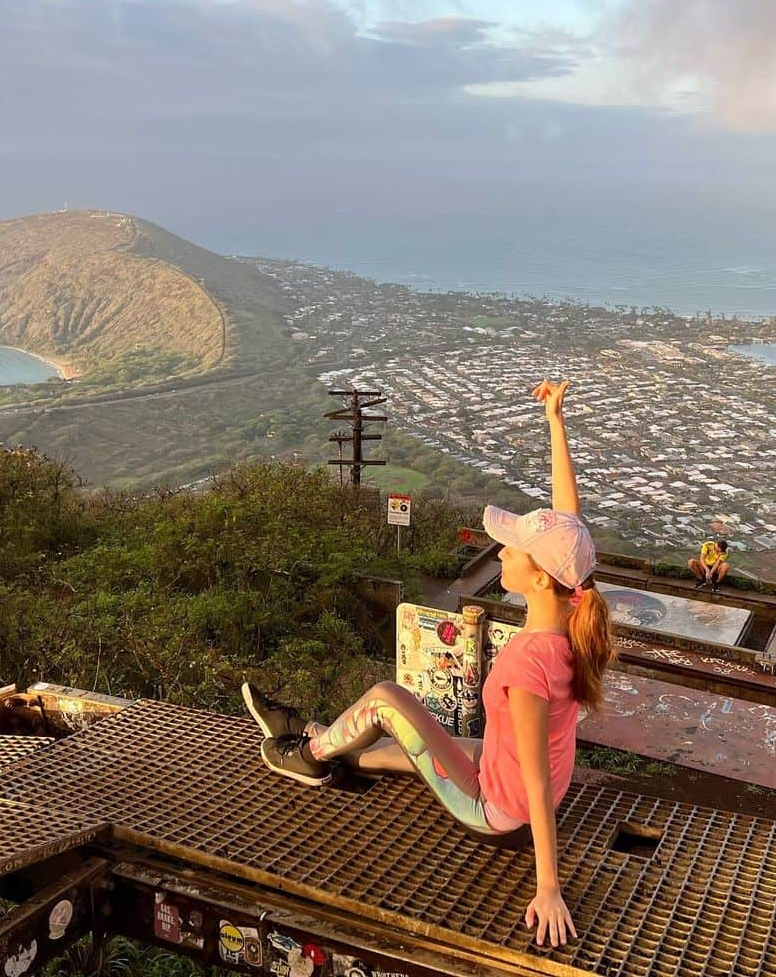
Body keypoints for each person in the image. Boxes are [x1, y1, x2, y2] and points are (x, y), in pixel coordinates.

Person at [243, 379, 615, 948]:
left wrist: (549, 887)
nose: (502, 553)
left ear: (539, 578)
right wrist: (555, 423)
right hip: (501, 771)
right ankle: (328, 740)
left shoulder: (530, 667)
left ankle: (309, 756)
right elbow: (570, 522)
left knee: (388, 697)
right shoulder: (567, 616)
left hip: (495, 808)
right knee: (385, 753)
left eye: (511, 549)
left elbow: (537, 782)